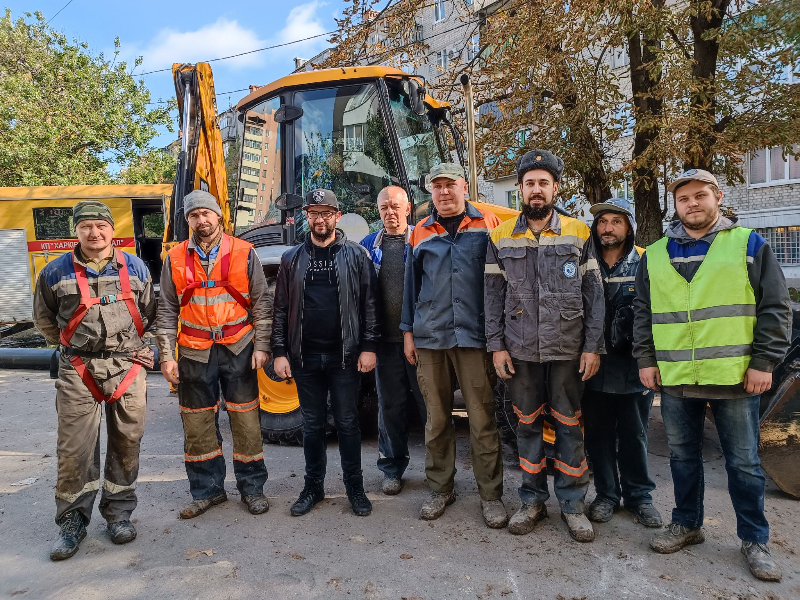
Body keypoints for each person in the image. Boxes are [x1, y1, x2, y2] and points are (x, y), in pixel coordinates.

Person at [633, 169, 791, 582]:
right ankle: (687, 523)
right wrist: (645, 360)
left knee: (743, 464)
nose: (693, 204)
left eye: (700, 195)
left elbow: (776, 308)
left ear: (717, 197)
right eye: (684, 198)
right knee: (684, 458)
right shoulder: (655, 254)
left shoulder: (749, 245)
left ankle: (755, 539)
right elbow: (643, 314)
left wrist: (764, 363)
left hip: (735, 377)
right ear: (677, 205)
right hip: (677, 377)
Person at [484, 150, 605, 542]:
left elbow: (594, 295)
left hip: (568, 350)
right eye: (529, 183)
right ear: (519, 188)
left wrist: (592, 347)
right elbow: (492, 296)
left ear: (555, 187)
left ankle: (572, 504)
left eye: (543, 183)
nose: (536, 190)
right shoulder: (500, 236)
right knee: (526, 425)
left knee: (570, 426)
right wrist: (496, 346)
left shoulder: (578, 231)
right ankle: (531, 500)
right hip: (519, 350)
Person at [34, 200, 157, 560]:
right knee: (75, 449)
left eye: (100, 225)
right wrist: (73, 348)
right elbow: (45, 319)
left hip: (127, 368)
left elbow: (149, 312)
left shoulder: (136, 268)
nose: (94, 232)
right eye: (85, 226)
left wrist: (134, 347)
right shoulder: (55, 272)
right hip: (79, 371)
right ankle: (72, 522)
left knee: (127, 443)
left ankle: (118, 514)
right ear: (76, 231)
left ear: (111, 229)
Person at [401, 163, 508, 529]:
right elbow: (410, 287)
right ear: (430, 192)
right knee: (437, 420)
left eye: (450, 185)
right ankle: (440, 488)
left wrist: (500, 336)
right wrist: (407, 333)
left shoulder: (489, 224)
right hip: (431, 339)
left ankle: (491, 495)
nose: (444, 192)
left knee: (482, 419)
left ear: (465, 186)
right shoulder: (419, 232)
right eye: (437, 187)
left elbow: (502, 283)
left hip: (476, 338)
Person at [157, 190, 271, 520]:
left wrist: (262, 346)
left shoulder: (244, 252)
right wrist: (166, 355)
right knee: (197, 423)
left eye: (206, 213)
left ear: (219, 216)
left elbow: (261, 304)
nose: (201, 220)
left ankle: (252, 489)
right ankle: (208, 491)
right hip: (193, 352)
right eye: (194, 215)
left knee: (246, 420)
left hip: (238, 347)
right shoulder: (175, 257)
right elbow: (166, 309)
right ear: (188, 220)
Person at [271, 188, 380, 517]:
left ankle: (355, 488)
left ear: (337, 216)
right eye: (314, 213)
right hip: (304, 358)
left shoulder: (356, 256)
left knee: (347, 423)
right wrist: (279, 351)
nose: (320, 219)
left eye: (326, 213)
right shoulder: (291, 258)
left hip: (344, 357)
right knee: (312, 424)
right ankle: (313, 487)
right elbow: (280, 310)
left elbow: (369, 305)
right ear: (308, 216)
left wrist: (369, 347)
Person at [582, 198, 661, 528]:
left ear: (629, 226)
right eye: (602, 222)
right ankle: (606, 495)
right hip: (594, 366)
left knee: (634, 434)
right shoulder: (583, 261)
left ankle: (639, 496)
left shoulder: (645, 261)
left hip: (632, 366)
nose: (608, 228)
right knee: (597, 435)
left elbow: (653, 314)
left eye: (616, 221)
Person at [360, 186, 427, 496]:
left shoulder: (424, 240)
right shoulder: (366, 247)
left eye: (395, 206)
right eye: (384, 207)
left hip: (423, 342)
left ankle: (440, 471)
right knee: (390, 407)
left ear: (408, 208)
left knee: (431, 407)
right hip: (385, 343)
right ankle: (392, 468)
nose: (390, 212)